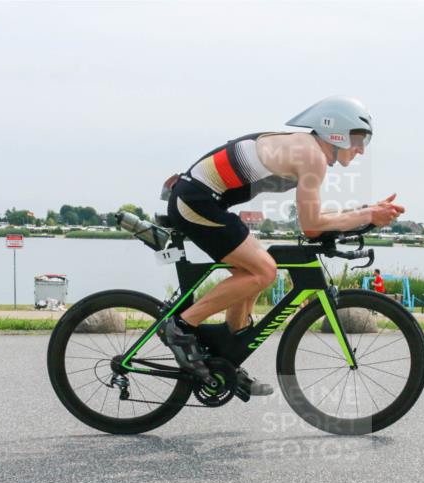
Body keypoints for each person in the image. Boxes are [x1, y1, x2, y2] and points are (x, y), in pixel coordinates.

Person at [160, 96, 404, 391]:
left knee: (252, 274)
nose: (362, 149)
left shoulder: (308, 149)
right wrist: (367, 214)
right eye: (359, 138)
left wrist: (366, 213)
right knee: (265, 271)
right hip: (197, 201)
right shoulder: (311, 155)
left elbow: (316, 217)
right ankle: (181, 326)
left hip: (204, 199)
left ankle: (226, 357)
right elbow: (312, 227)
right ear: (335, 129)